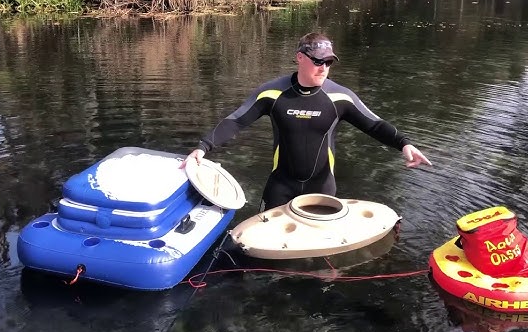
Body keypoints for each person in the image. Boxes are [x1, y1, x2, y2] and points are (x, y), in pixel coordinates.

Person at [180, 32, 431, 210]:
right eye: (318, 61)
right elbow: (236, 121)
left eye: (329, 62)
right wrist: (203, 148)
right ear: (300, 57)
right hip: (280, 186)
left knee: (319, 268)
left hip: (322, 188)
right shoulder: (273, 93)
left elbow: (374, 124)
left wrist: (404, 144)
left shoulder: (339, 97)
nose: (324, 68)